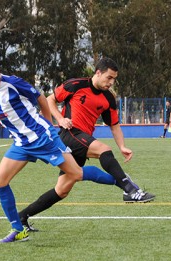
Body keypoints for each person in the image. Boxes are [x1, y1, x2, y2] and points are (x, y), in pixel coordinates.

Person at [0, 54, 118, 243]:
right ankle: (18, 229)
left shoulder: (13, 83)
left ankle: (121, 182)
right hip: (21, 143)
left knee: (76, 174)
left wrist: (48, 124)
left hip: (41, 138)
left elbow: (41, 98)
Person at [19, 57, 155, 231]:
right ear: (98, 73)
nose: (111, 82)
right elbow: (49, 100)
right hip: (69, 134)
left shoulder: (108, 98)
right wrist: (60, 119)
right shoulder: (75, 85)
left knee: (62, 190)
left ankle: (22, 216)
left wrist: (122, 146)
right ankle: (130, 189)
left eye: (114, 79)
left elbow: (114, 125)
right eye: (109, 78)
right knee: (104, 150)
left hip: (82, 140)